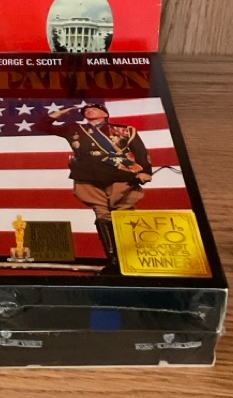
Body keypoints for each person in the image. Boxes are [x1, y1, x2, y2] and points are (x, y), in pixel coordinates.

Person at [38, 102, 152, 273]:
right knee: (102, 214)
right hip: (87, 176)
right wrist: (60, 112)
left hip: (119, 175)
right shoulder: (74, 128)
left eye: (94, 109)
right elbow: (41, 126)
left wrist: (145, 171)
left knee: (124, 213)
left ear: (105, 113)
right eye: (86, 110)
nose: (89, 111)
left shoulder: (123, 129)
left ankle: (132, 259)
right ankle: (114, 262)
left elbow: (140, 151)